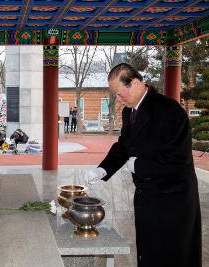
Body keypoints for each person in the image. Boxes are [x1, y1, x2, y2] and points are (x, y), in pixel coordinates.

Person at [85, 63, 201, 267]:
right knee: (148, 252)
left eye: (120, 94)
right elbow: (124, 146)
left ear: (135, 82)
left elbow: (179, 159)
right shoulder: (129, 112)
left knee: (173, 255)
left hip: (173, 199)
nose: (118, 100)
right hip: (147, 197)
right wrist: (103, 169)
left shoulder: (169, 110)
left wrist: (140, 166)